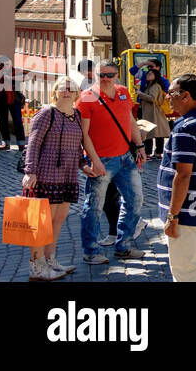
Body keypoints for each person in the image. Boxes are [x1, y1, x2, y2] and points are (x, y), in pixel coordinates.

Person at [22, 75, 96, 281]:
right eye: (62, 88)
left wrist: (83, 165)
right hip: (46, 174)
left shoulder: (77, 115)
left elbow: (77, 145)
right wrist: (30, 171)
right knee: (42, 223)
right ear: (55, 91)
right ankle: (36, 267)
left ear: (76, 94)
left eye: (70, 89)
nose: (66, 91)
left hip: (68, 175)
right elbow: (33, 144)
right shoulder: (46, 113)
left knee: (58, 220)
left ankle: (50, 260)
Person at [77, 60, 146, 263]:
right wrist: (94, 160)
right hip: (102, 160)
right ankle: (91, 251)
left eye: (109, 75)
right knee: (94, 207)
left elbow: (130, 121)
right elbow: (84, 134)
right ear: (94, 75)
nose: (105, 79)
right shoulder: (86, 98)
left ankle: (123, 246)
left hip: (126, 157)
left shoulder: (123, 92)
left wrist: (140, 146)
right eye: (101, 75)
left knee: (135, 200)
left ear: (117, 75)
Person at [157, 73, 196, 282]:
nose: (167, 97)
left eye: (171, 93)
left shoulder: (185, 127)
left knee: (185, 272)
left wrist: (172, 216)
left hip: (185, 212)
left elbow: (182, 175)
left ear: (185, 96)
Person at [136, 65, 170, 159]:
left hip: (154, 113)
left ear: (155, 76)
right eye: (148, 73)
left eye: (150, 74)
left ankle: (151, 153)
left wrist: (140, 94)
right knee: (154, 133)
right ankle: (154, 153)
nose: (148, 75)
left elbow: (152, 98)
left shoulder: (155, 86)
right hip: (150, 112)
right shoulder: (149, 86)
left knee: (151, 133)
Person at [0, 55, 28, 153]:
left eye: (8, 63)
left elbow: (26, 77)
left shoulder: (16, 71)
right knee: (3, 122)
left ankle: (21, 144)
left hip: (14, 99)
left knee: (18, 121)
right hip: (0, 99)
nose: (6, 66)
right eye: (4, 64)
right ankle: (6, 143)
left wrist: (11, 77)